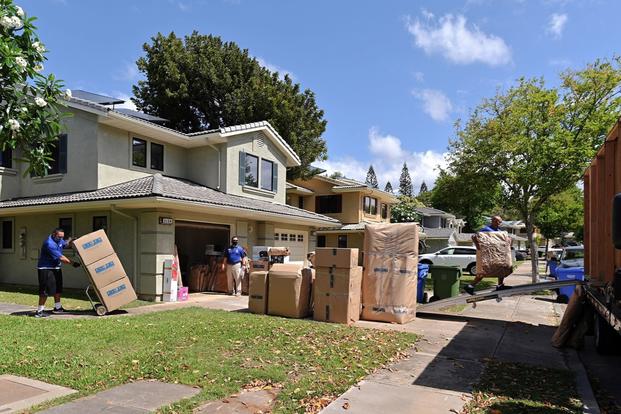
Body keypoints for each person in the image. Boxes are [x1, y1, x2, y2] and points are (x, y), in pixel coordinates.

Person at [35, 228, 80, 318]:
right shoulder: (49, 244)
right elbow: (61, 258)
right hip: (46, 269)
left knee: (58, 288)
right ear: (53, 234)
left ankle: (58, 307)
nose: (61, 239)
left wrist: (71, 242)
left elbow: (65, 244)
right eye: (59, 237)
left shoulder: (59, 240)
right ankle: (39, 311)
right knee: (45, 290)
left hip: (56, 268)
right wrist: (73, 263)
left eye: (62, 237)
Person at [464, 215, 513, 295]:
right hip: (488, 254)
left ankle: (500, 285)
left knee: (502, 268)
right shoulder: (486, 230)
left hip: (498, 254)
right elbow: (475, 237)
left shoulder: (500, 232)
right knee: (484, 271)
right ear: (492, 221)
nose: (498, 223)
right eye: (496, 221)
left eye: (500, 221)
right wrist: (477, 245)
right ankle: (470, 286)